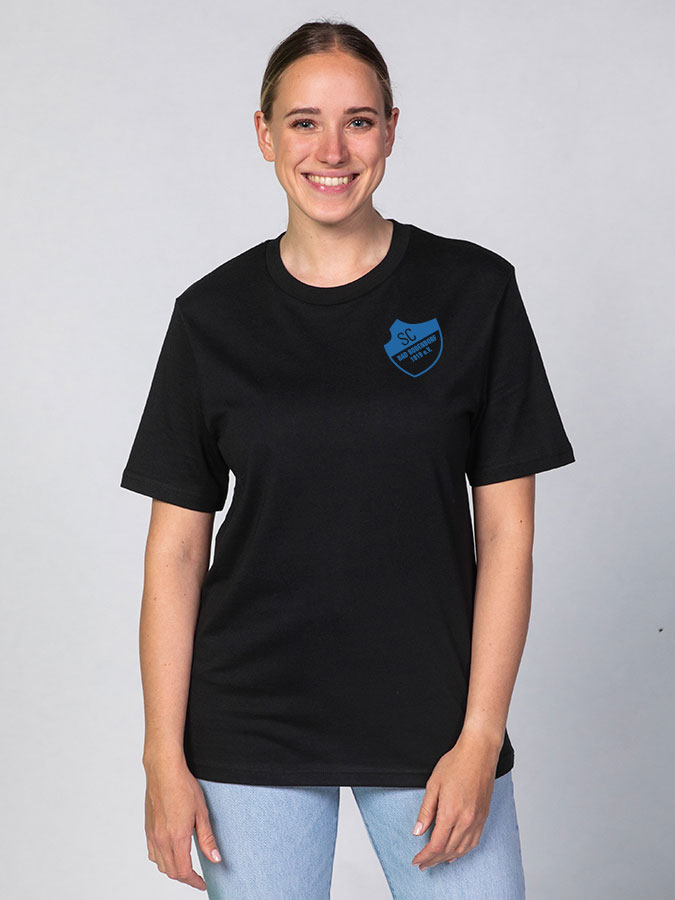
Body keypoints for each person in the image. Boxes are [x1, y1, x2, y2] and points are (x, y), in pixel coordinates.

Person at [120, 18, 575, 900]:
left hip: (433, 720)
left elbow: (507, 536)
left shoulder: (474, 293)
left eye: (357, 121)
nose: (331, 150)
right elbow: (175, 551)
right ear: (264, 134)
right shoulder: (210, 318)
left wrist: (481, 734)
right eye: (303, 122)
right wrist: (161, 758)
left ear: (390, 131)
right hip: (250, 721)